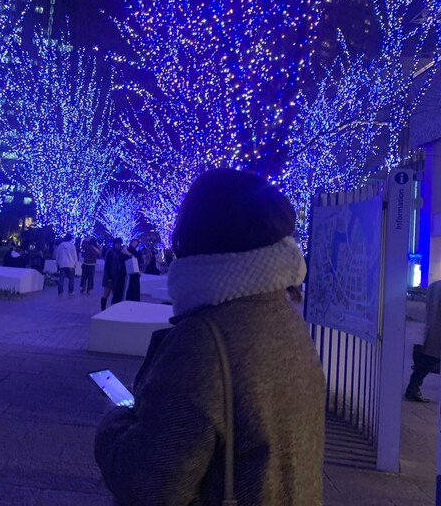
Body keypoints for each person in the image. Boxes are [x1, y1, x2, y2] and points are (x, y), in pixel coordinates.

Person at [95, 168, 325, 505]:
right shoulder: (284, 316)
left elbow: (150, 484)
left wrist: (115, 424)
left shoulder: (204, 340)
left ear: (194, 236)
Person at [405, 280, 441, 402]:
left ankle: (412, 389)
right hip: (437, 332)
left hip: (431, 328)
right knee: (427, 362)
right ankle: (412, 390)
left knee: (425, 362)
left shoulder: (435, 285)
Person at [101, 237, 129, 310]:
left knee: (115, 294)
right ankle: (103, 309)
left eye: (120, 244)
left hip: (117, 277)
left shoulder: (119, 252)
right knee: (106, 293)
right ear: (114, 244)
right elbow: (107, 265)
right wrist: (109, 277)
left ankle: (112, 309)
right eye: (118, 244)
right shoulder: (110, 252)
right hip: (109, 276)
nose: (119, 245)